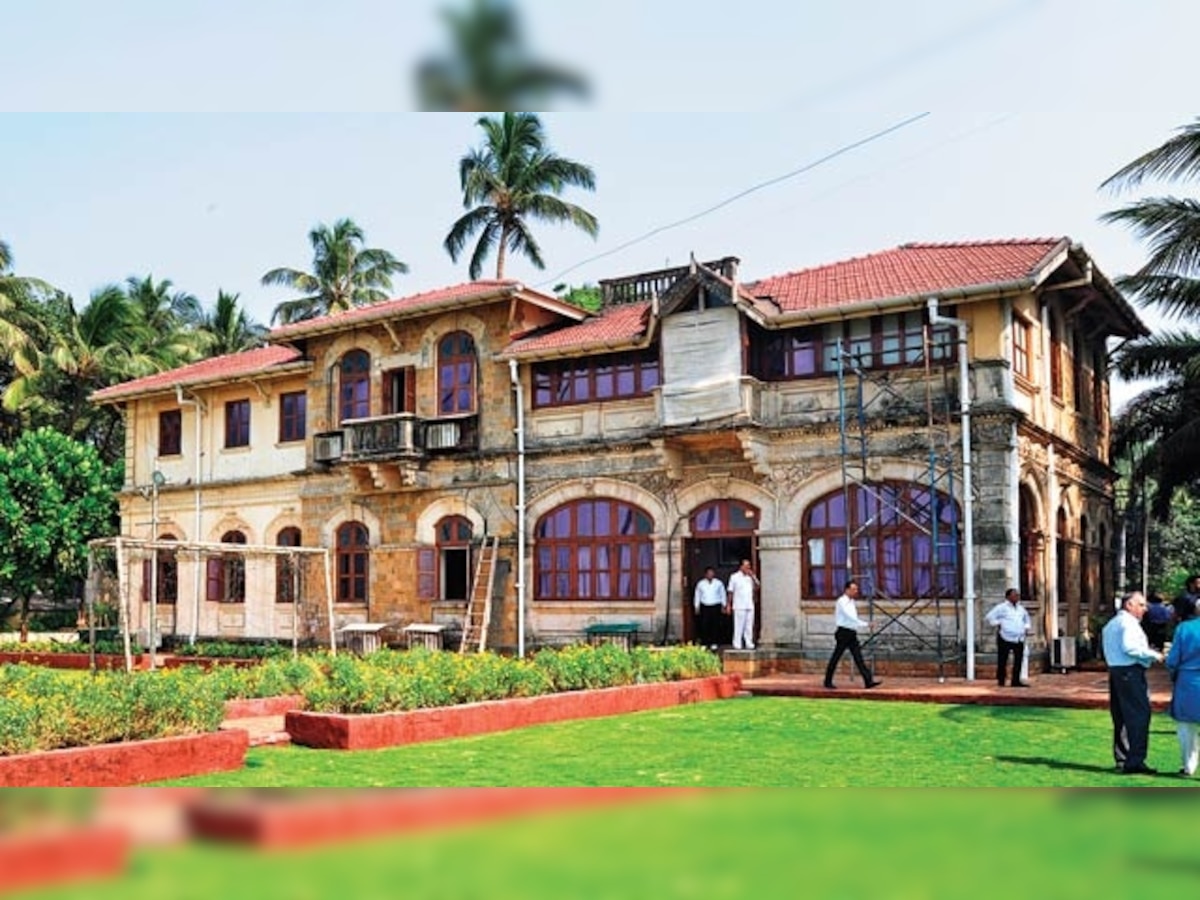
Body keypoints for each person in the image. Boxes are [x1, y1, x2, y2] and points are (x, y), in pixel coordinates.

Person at [1101, 591, 1164, 775]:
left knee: (1120, 716)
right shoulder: (1128, 623)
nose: (1145, 609)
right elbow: (1130, 648)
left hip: (1116, 671)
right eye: (1141, 605)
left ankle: (1123, 758)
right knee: (1139, 716)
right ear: (1129, 605)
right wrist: (1154, 655)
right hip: (1129, 671)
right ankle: (1135, 761)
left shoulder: (1111, 624)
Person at [823, 579, 882, 689]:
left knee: (858, 658)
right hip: (843, 632)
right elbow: (851, 618)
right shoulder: (841, 601)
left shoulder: (852, 602)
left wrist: (863, 625)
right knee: (836, 657)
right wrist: (866, 624)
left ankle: (868, 681)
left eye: (856, 589)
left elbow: (853, 620)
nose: (856, 591)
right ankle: (827, 681)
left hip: (851, 633)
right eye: (853, 589)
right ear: (847, 590)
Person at [1165, 597, 1200, 777]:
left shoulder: (1185, 628)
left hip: (1188, 681)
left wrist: (1172, 671)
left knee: (1186, 728)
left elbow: (1172, 660)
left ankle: (1188, 766)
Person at [985, 588, 1032, 687]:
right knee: (1002, 660)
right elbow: (990, 617)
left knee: (1018, 660)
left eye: (1017, 595)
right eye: (1014, 595)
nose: (1017, 597)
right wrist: (999, 623)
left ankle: (1015, 680)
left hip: (1019, 638)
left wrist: (1026, 627)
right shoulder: (1001, 607)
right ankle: (1001, 680)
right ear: (1008, 597)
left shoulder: (1021, 608)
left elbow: (1026, 618)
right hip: (1005, 637)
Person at [726, 559, 759, 651]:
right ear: (741, 567)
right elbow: (730, 591)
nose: (747, 568)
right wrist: (728, 604)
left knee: (749, 625)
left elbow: (757, 587)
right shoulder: (734, 577)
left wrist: (753, 577)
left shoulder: (750, 577)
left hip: (749, 604)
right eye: (745, 566)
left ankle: (749, 642)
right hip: (739, 605)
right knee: (739, 625)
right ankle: (737, 643)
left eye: (749, 566)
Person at [693, 566, 727, 650]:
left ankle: (714, 642)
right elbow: (697, 595)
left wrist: (724, 605)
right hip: (705, 606)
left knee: (715, 625)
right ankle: (704, 642)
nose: (710, 575)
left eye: (712, 573)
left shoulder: (718, 583)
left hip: (716, 605)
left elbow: (723, 594)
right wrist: (696, 606)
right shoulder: (701, 584)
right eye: (708, 573)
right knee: (704, 625)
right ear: (705, 574)